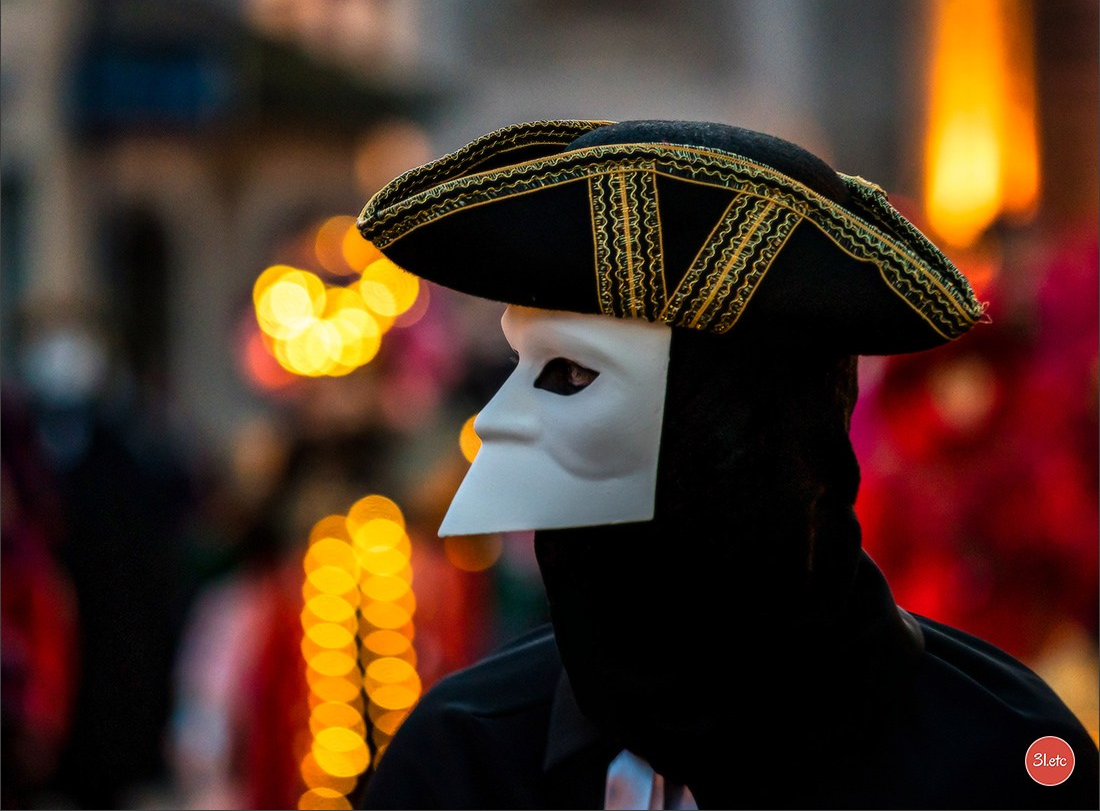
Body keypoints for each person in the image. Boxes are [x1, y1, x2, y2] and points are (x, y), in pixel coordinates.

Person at [352, 120, 1098, 809]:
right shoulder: (464, 761)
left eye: (572, 374)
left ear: (738, 430)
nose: (495, 420)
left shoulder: (1010, 761)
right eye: (521, 362)